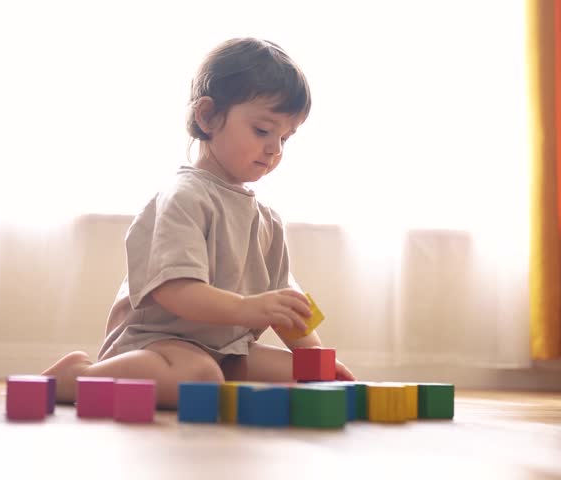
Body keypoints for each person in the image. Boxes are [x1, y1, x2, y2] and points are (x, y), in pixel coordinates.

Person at [42, 37, 355, 409]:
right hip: (158, 344)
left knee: (298, 377)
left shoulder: (267, 220)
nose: (275, 149)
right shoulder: (185, 197)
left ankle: (230, 381)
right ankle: (79, 376)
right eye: (262, 131)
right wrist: (247, 308)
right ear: (207, 117)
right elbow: (176, 289)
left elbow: (288, 302)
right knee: (199, 376)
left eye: (285, 138)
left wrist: (316, 359)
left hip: (225, 350)